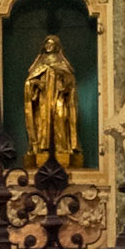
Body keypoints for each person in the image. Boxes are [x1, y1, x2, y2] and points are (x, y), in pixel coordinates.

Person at [23, 33, 82, 169]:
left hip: (59, 97)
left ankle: (62, 149)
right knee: (43, 122)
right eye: (47, 44)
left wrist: (64, 83)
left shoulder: (62, 63)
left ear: (57, 46)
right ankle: (42, 149)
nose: (49, 46)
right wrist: (37, 83)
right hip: (43, 99)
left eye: (52, 44)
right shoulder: (40, 63)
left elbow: (71, 80)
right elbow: (29, 81)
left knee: (60, 119)